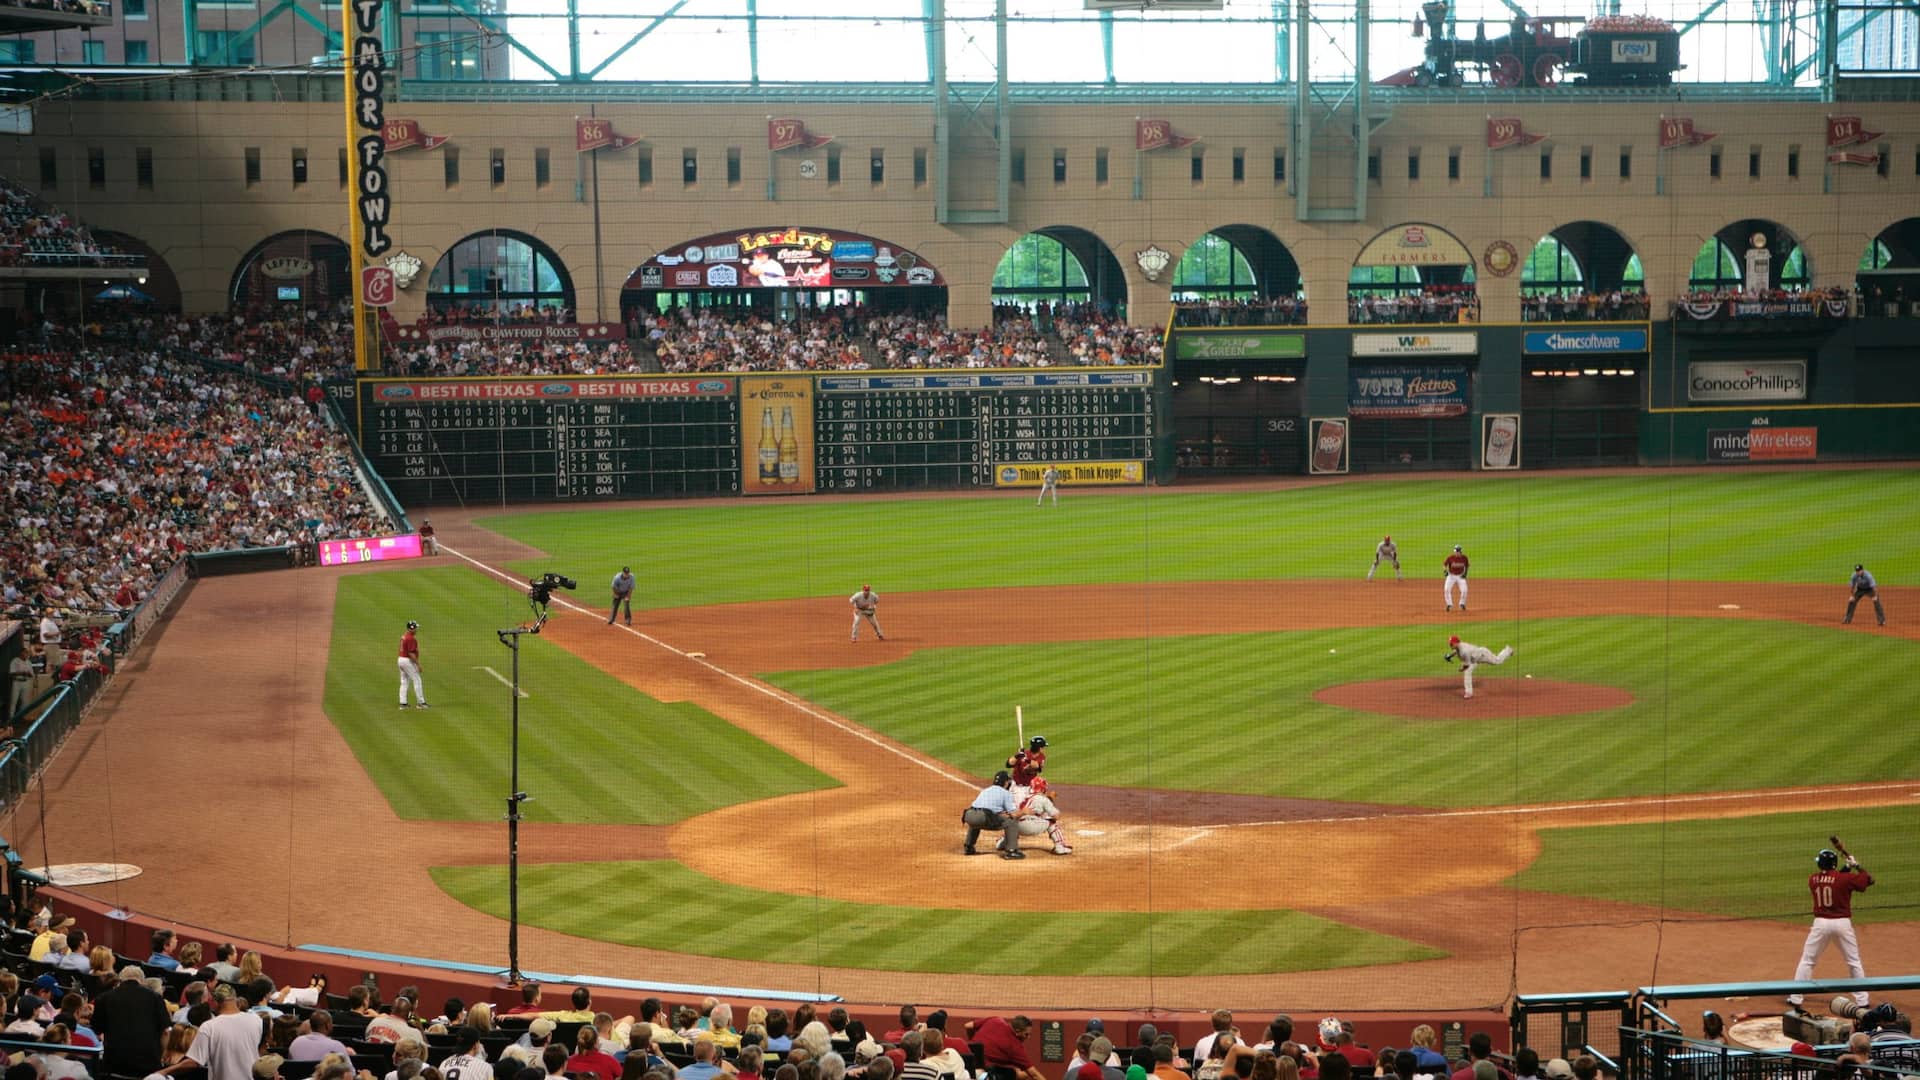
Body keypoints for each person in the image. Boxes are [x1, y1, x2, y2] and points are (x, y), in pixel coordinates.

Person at [1787, 847, 1874, 1009]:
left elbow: (1834, 881)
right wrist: (1856, 865)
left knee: (1807, 960)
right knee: (1853, 961)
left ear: (1821, 864)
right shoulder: (1845, 879)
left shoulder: (1813, 879)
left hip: (1820, 924)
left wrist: (1846, 868)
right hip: (1842, 924)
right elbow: (1868, 880)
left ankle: (1795, 998)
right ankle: (1862, 1000)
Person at [91, 963, 170, 1077]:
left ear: (120, 980)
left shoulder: (104, 998)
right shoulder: (155, 998)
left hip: (114, 1064)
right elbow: (165, 1032)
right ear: (142, 981)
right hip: (148, 1064)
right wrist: (162, 1057)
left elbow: (97, 1029)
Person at [961, 770, 1025, 859]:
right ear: (1006, 782)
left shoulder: (985, 790)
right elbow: (1013, 814)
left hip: (969, 815)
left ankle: (968, 847)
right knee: (1012, 822)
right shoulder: (1006, 793)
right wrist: (1024, 812)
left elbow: (984, 806)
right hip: (982, 817)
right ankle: (1011, 851)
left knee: (976, 822)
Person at [1013, 778, 1074, 856]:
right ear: (1043, 788)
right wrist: (1051, 801)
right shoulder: (1043, 799)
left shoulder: (1024, 796)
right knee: (1052, 822)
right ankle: (1060, 847)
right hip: (1031, 827)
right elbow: (1056, 816)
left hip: (1018, 828)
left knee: (1011, 824)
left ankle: (1004, 843)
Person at [1444, 635, 1512, 700]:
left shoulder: (1464, 651)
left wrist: (1462, 669)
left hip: (1483, 655)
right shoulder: (1459, 646)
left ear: (1456, 643)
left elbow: (1467, 665)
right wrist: (1449, 656)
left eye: (1451, 644)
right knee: (1467, 672)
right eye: (1450, 643)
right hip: (1474, 659)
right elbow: (1456, 651)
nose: (1450, 645)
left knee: (1497, 661)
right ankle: (1468, 692)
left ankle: (1508, 650)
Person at [398, 620, 428, 710]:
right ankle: (421, 703)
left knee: (404, 681)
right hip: (407, 661)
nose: (416, 630)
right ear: (411, 629)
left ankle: (403, 703)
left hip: (400, 659)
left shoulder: (404, 636)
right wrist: (418, 664)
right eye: (415, 628)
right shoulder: (411, 638)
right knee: (417, 680)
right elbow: (411, 653)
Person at [1442, 545, 1469, 612]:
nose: (1456, 553)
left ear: (1460, 552)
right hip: (1451, 576)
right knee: (1446, 589)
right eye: (1455, 552)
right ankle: (1449, 604)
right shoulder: (1450, 557)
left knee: (1464, 590)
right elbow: (1444, 565)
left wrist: (1465, 573)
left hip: (1460, 576)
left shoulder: (1464, 558)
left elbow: (1467, 566)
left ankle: (1462, 604)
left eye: (1457, 552)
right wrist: (1445, 571)